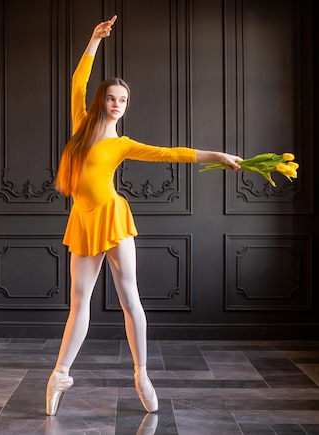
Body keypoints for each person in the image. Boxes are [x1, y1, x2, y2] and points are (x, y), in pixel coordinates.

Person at [46, 15, 242, 416]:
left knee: (128, 297)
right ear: (101, 99)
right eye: (112, 97)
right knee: (78, 302)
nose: (118, 105)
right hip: (83, 219)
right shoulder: (80, 124)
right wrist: (94, 39)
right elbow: (77, 82)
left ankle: (141, 373)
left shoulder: (122, 144)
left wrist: (218, 156)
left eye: (124, 100)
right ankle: (60, 375)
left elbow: (170, 153)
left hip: (114, 219)